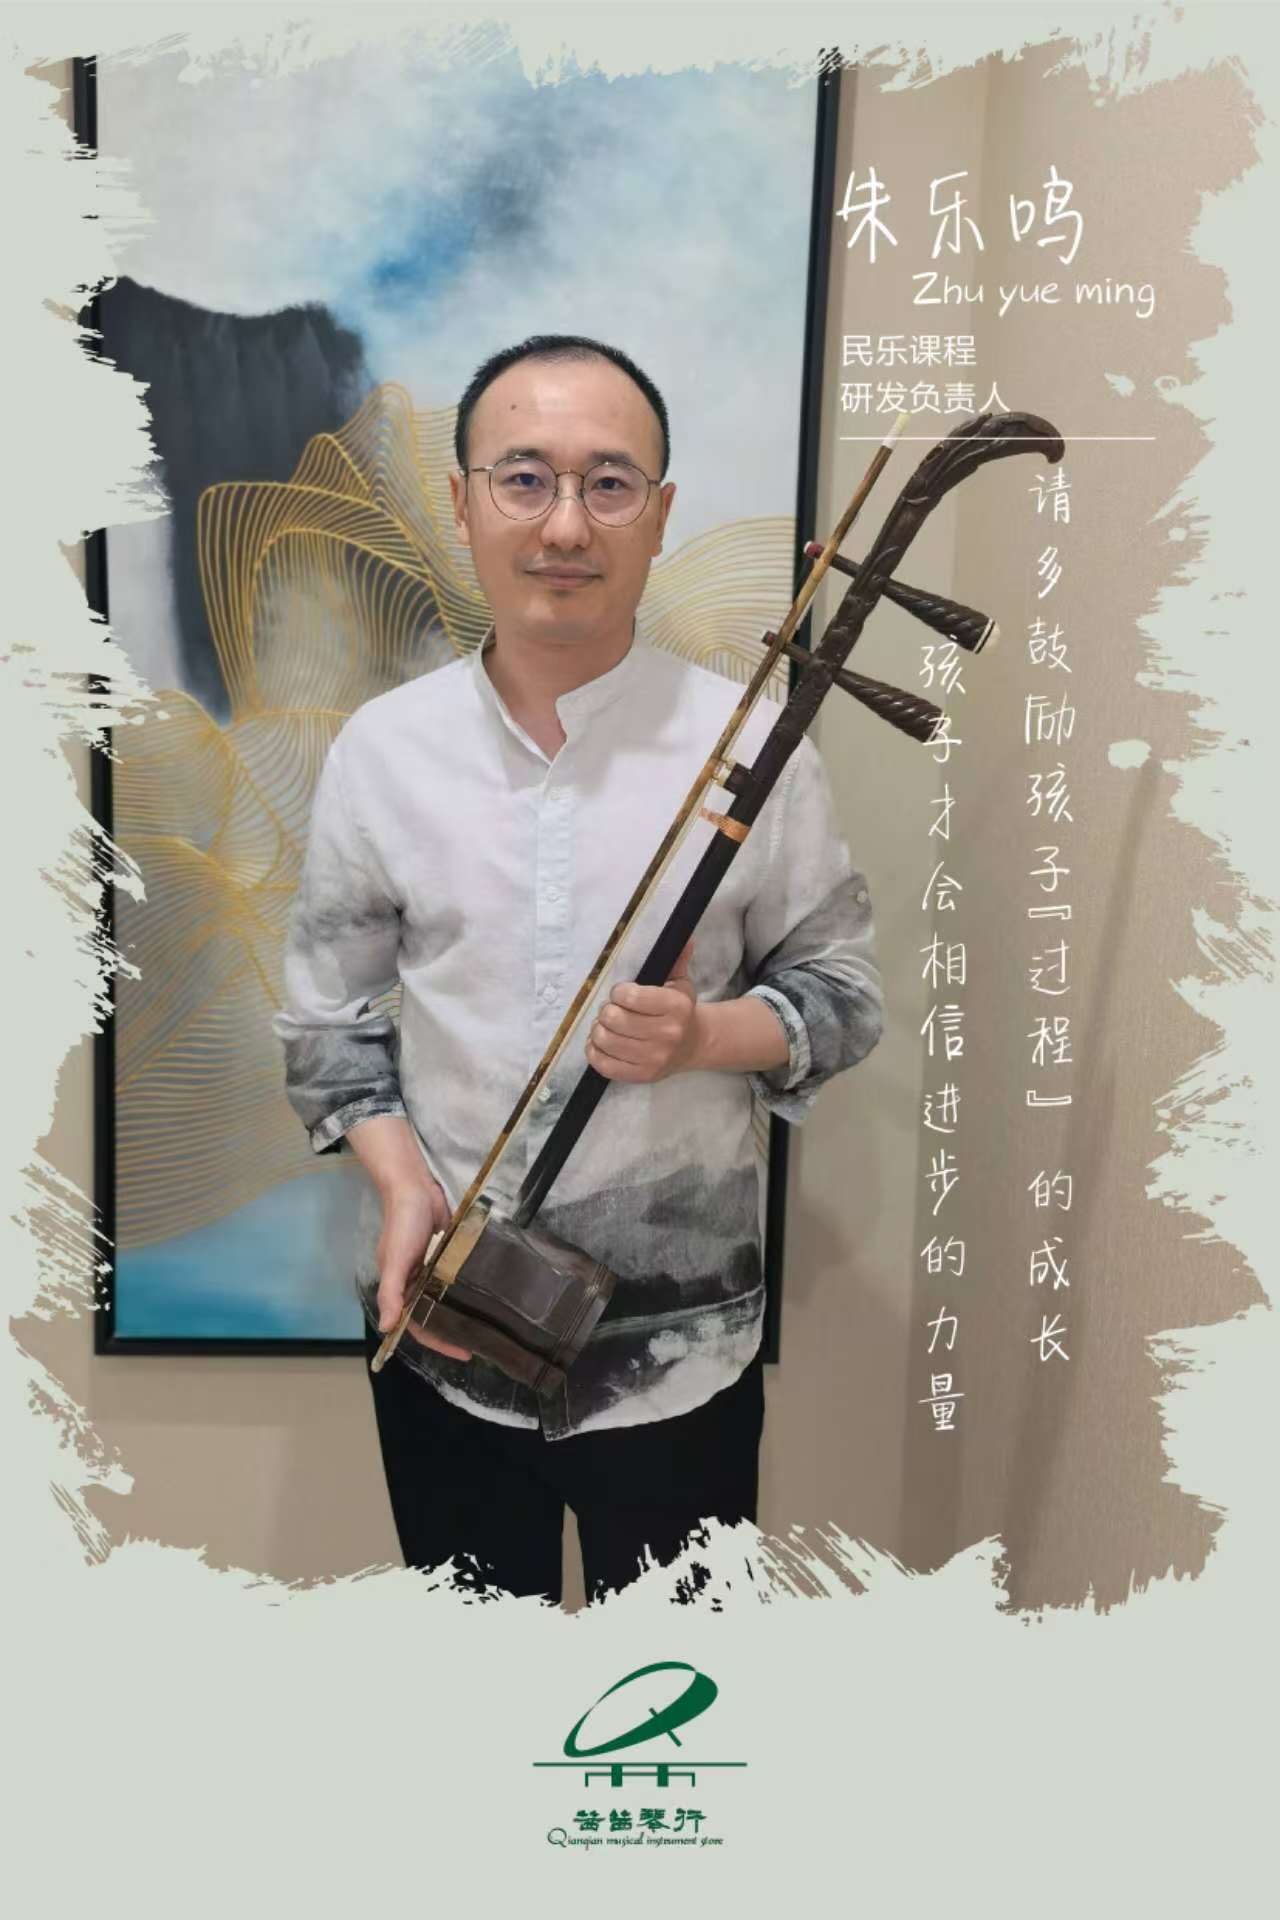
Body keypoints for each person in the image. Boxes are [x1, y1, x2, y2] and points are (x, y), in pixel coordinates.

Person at [272, 333, 883, 1606]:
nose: (563, 525)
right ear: (462, 504)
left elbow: (842, 993)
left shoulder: (751, 743)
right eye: (523, 479)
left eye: (609, 484)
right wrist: (398, 1185)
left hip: (678, 1350)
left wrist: (705, 1037)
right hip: (444, 1327)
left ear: (658, 516)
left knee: (669, 1687)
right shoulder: (383, 753)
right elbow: (326, 1022)